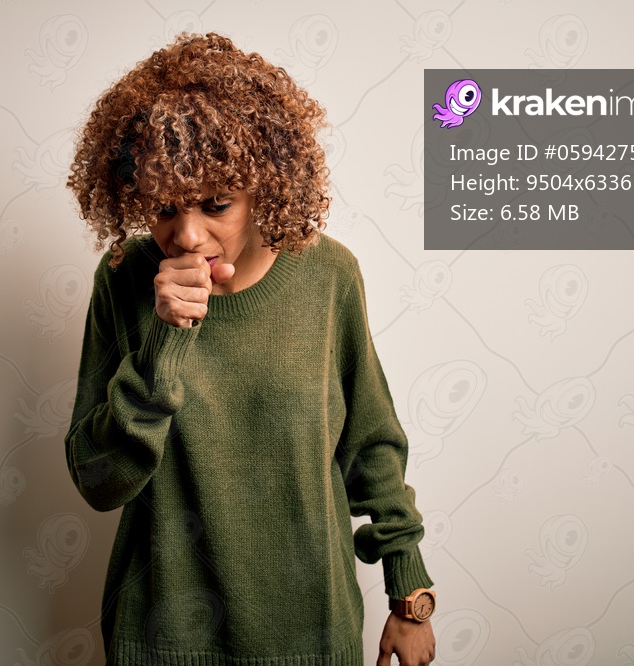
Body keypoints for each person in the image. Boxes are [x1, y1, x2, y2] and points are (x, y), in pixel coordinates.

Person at [65, 32, 436, 666]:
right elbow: (99, 479)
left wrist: (409, 591)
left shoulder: (328, 276)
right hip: (164, 639)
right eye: (163, 208)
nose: (186, 235)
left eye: (216, 205)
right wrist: (164, 342)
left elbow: (369, 443)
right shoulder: (124, 278)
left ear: (265, 183)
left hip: (310, 633)